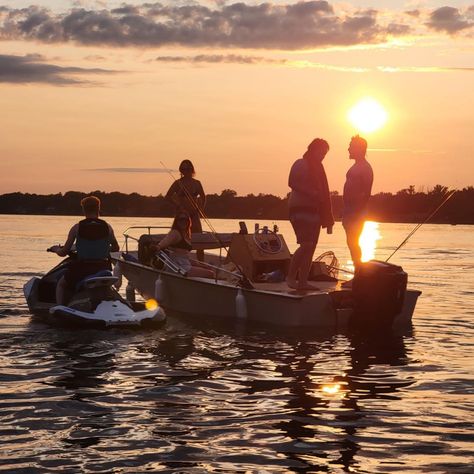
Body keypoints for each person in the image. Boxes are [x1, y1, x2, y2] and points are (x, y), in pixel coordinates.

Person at [49, 196, 119, 305]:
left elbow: (63, 253)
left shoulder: (77, 228)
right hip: (102, 267)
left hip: (82, 269)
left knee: (62, 284)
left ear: (83, 209)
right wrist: (102, 248)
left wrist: (56, 249)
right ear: (98, 208)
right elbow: (116, 247)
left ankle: (59, 308)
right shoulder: (107, 227)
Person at [287, 138, 334, 291]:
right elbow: (292, 182)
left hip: (315, 212)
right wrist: (311, 192)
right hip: (300, 210)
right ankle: (290, 277)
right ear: (313, 149)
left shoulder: (319, 169)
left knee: (311, 247)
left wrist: (327, 218)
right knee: (306, 245)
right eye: (322, 152)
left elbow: (324, 195)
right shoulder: (300, 163)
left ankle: (302, 282)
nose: (323, 156)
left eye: (325, 154)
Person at [342, 135, 373, 280]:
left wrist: (356, 211)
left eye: (351, 146)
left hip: (357, 212)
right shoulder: (355, 166)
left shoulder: (365, 168)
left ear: (359, 149)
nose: (348, 148)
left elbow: (366, 193)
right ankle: (358, 275)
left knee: (354, 242)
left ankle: (358, 277)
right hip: (349, 211)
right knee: (351, 242)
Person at [152, 211, 214, 278]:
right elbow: (165, 241)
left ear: (189, 221)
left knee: (209, 269)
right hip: (178, 267)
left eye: (186, 219)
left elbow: (185, 257)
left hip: (184, 264)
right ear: (177, 221)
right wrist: (158, 247)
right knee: (210, 273)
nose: (183, 222)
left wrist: (202, 265)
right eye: (181, 219)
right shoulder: (175, 233)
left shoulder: (186, 235)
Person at [165, 159, 206, 261]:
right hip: (181, 216)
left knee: (199, 240)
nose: (185, 171)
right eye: (183, 169)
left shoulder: (197, 183)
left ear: (191, 169)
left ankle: (201, 262)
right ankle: (175, 260)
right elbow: (168, 196)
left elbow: (203, 197)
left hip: (194, 215)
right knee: (178, 238)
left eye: (187, 169)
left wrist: (200, 209)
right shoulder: (177, 183)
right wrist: (178, 206)